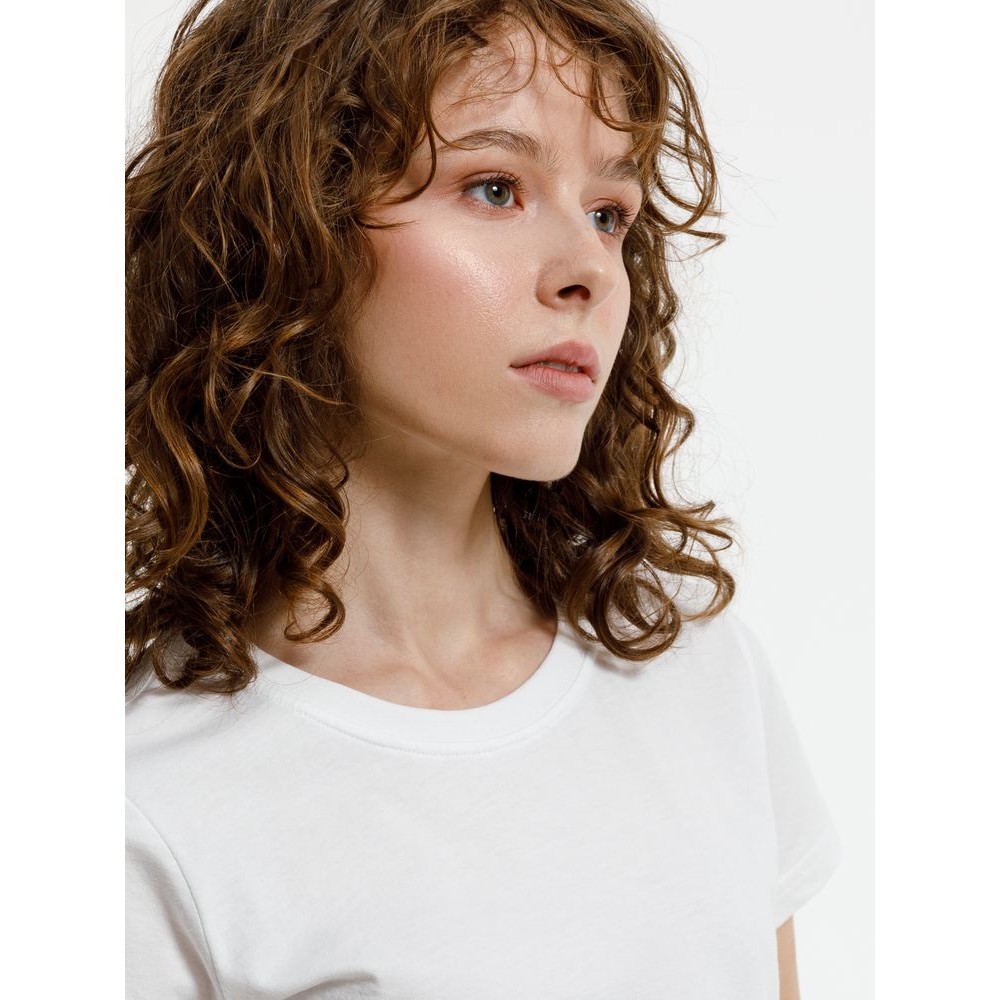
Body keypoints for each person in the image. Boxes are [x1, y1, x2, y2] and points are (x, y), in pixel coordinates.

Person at [125, 1, 840, 996]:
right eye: (495, 188)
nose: (589, 270)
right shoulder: (146, 799)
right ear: (285, 229)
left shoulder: (697, 673)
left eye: (610, 212)